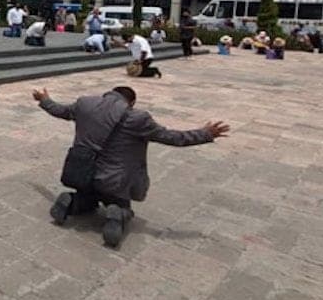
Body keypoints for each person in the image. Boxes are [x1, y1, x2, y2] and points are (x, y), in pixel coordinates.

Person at [35, 85, 230, 247]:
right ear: (132, 103)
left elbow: (59, 110)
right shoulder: (138, 119)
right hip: (114, 181)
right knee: (121, 204)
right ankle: (118, 213)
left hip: (80, 173)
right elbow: (173, 137)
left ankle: (71, 201)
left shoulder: (85, 104)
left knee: (89, 198)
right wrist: (206, 133)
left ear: (107, 95)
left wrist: (44, 99)